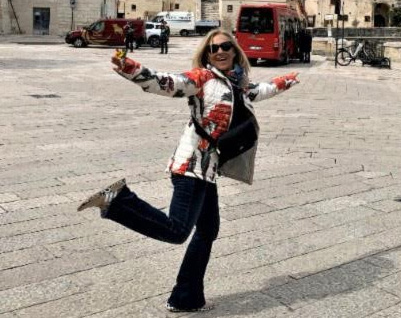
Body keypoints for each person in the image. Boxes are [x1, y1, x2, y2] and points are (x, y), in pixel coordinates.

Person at [77, 29, 299, 313]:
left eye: (224, 46)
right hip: (190, 167)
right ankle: (117, 201)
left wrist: (285, 81)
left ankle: (186, 297)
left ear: (234, 50)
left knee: (208, 230)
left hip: (207, 172)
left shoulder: (239, 84)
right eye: (212, 48)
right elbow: (168, 83)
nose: (219, 52)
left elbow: (261, 90)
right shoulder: (203, 79)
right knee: (178, 231)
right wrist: (133, 69)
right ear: (207, 54)